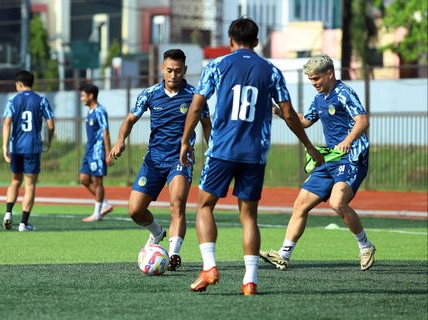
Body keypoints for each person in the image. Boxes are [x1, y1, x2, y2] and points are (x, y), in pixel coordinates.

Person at [179, 18, 323, 295]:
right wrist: (308, 145)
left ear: (230, 41)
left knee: (205, 206)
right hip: (255, 153)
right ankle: (250, 281)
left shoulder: (217, 66)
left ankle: (209, 266)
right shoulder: (271, 71)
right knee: (248, 216)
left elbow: (196, 107)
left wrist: (185, 141)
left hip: (222, 150)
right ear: (256, 42)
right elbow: (290, 114)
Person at [260, 54, 376, 271]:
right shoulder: (319, 99)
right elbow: (303, 122)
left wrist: (348, 140)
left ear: (329, 73)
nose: (313, 83)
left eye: (316, 78)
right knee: (300, 204)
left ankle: (366, 246)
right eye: (311, 79)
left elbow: (362, 120)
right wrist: (277, 110)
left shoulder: (344, 93)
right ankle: (283, 254)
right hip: (329, 159)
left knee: (337, 202)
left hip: (351, 158)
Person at [110, 49, 212, 272]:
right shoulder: (150, 94)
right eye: (169, 70)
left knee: (177, 204)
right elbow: (129, 120)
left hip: (180, 159)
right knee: (135, 210)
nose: (173, 75)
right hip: (153, 161)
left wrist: (211, 149)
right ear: (161, 69)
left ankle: (174, 254)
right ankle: (157, 232)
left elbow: (206, 124)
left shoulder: (196, 96)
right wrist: (120, 140)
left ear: (184, 70)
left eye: (178, 71)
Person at [2, 70, 55, 232]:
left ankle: (8, 213)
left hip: (16, 147)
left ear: (19, 84)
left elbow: (7, 123)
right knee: (30, 185)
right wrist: (48, 140)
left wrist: (5, 146)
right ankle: (24, 224)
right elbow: (51, 125)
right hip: (33, 147)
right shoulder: (41, 100)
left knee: (15, 181)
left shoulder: (12, 101)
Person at [78, 84, 114, 222]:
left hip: (98, 152)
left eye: (83, 96)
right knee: (84, 179)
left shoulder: (100, 111)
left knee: (97, 181)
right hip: (89, 150)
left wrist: (108, 153)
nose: (82, 99)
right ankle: (105, 204)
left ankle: (97, 213)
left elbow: (106, 131)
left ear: (91, 95)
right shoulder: (90, 111)